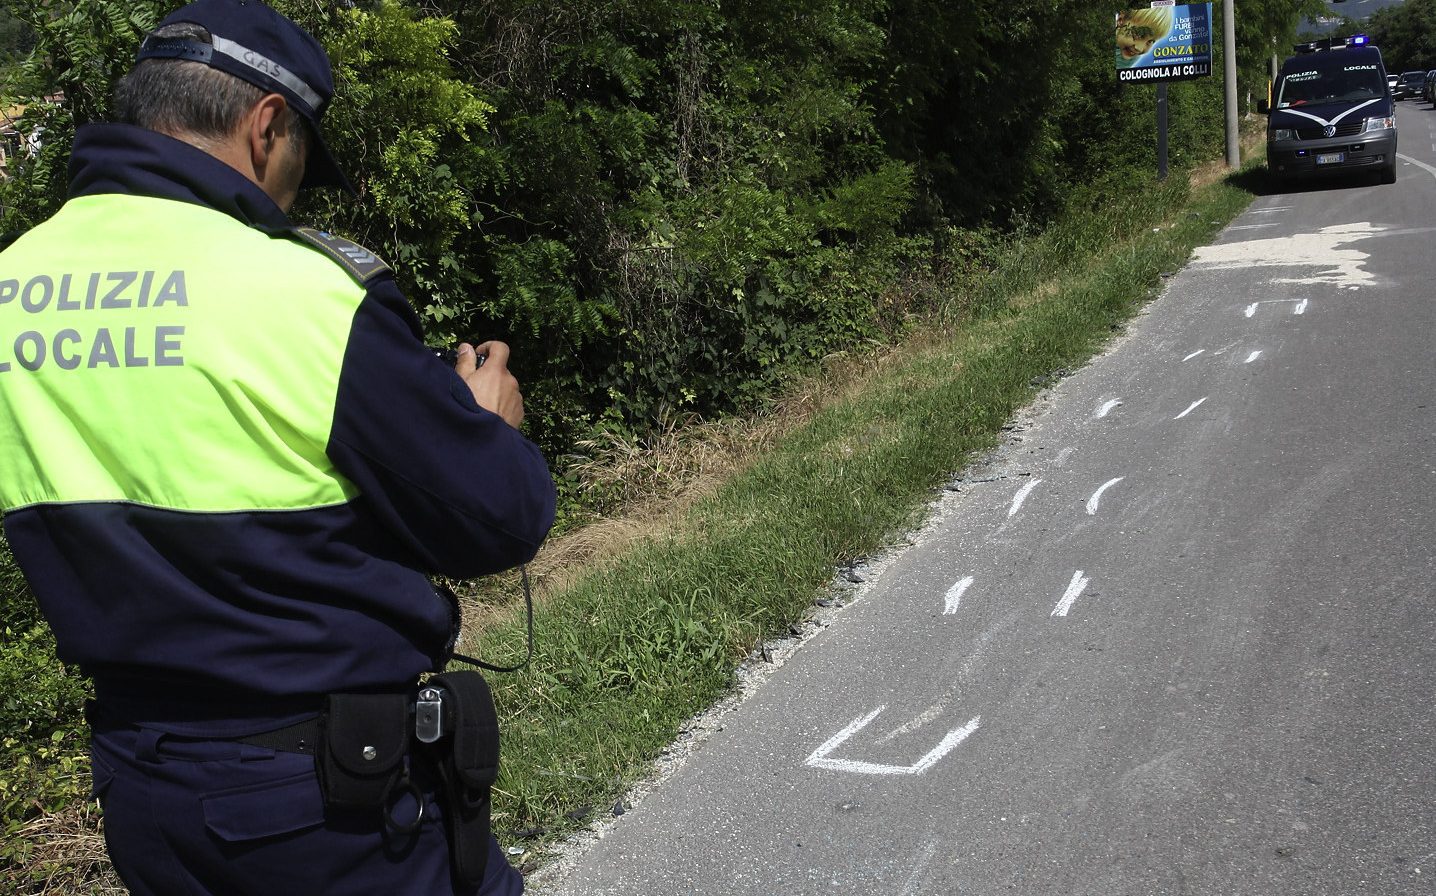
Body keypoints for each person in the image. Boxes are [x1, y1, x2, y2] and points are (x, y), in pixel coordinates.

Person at [0, 1, 555, 893]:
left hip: (142, 792)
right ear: (266, 127)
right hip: (328, 802)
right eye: (300, 162)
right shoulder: (300, 293)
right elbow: (499, 518)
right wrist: (486, 426)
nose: (292, 196)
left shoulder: (15, 282)